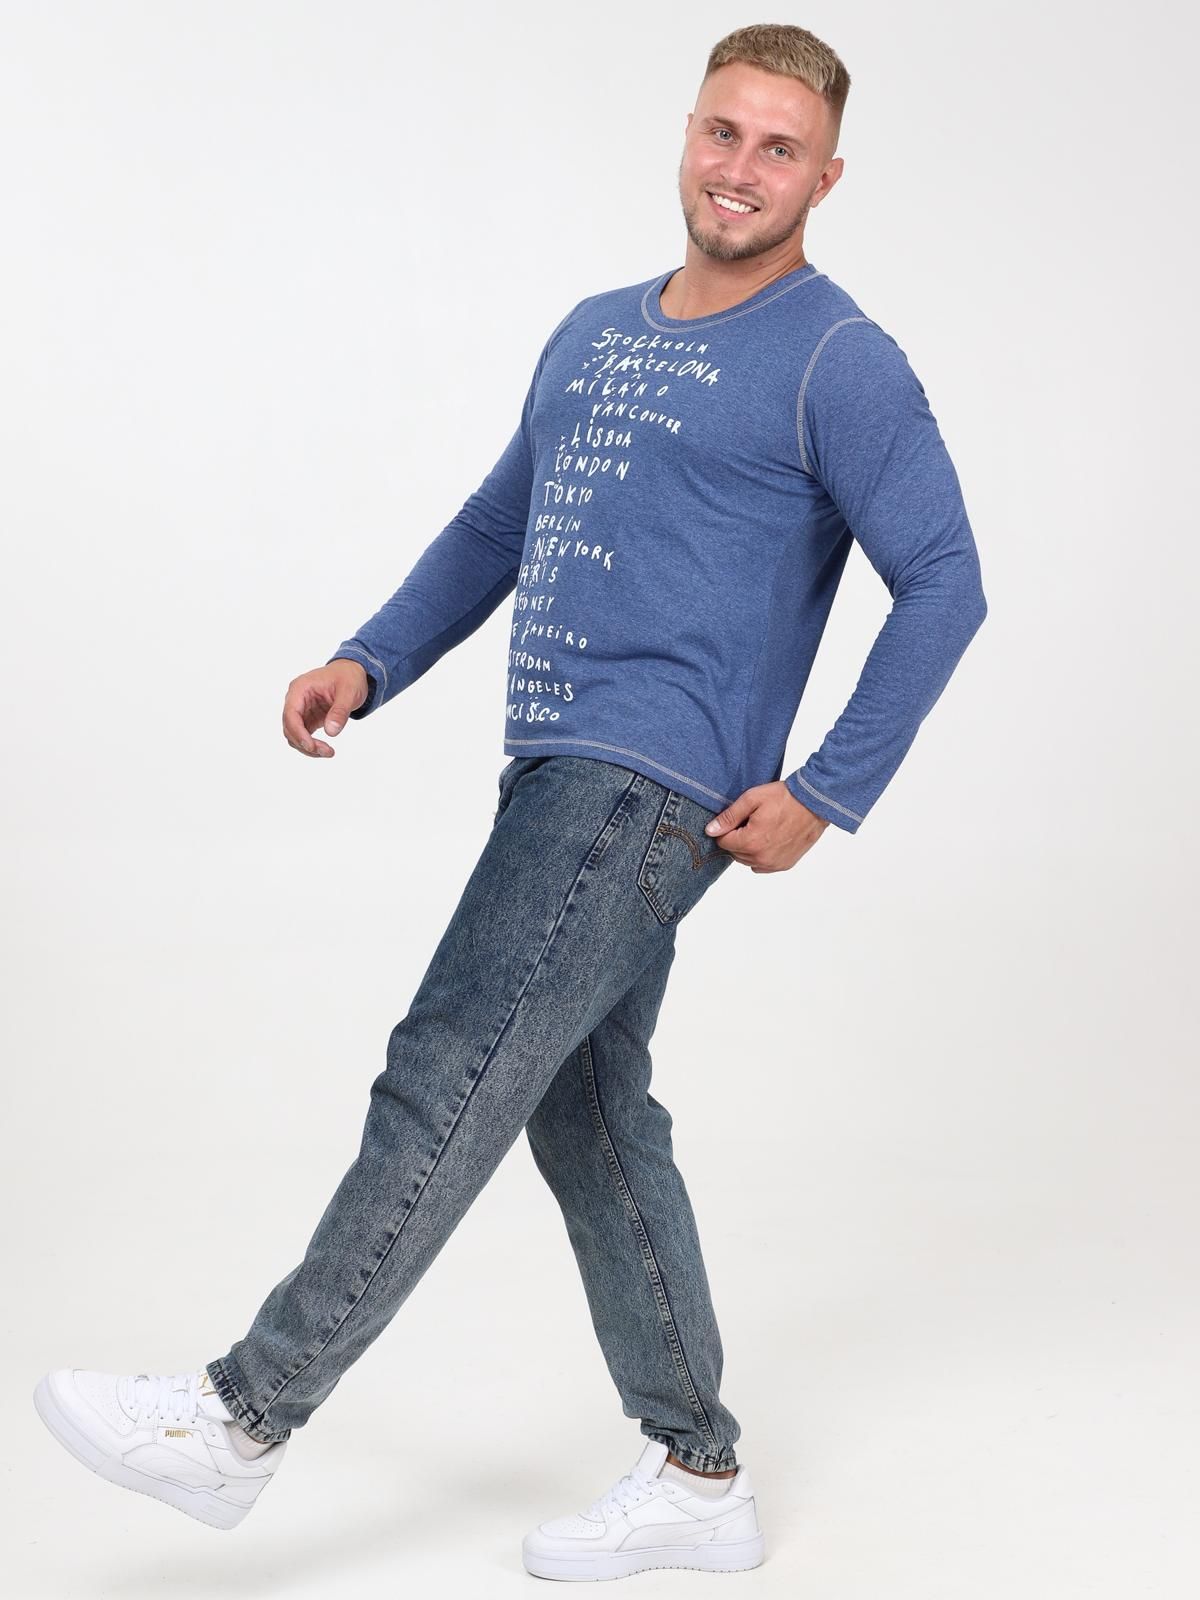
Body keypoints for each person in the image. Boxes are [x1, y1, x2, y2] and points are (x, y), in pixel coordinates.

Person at [34, 20, 987, 1582]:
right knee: (589, 1113)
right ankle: (698, 1473)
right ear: (687, 136)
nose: (740, 169)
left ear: (826, 177)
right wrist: (371, 657)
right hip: (558, 766)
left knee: (449, 1063)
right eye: (722, 132)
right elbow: (499, 524)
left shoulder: (838, 357)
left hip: (645, 782)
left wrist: (829, 790)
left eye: (779, 148)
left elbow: (945, 580)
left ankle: (243, 1417)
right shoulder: (593, 330)